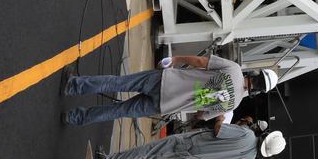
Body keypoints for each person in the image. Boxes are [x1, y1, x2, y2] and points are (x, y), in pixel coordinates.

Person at [62, 55, 278, 126]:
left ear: (256, 75)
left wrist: (175, 59)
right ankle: (74, 118)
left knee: (119, 83)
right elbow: (201, 114)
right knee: (119, 112)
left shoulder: (234, 69)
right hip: (165, 104)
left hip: (166, 80)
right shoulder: (233, 104)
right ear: (258, 91)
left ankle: (74, 85)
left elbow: (200, 61)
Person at [95, 122, 286, 159]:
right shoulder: (249, 158)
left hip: (189, 144)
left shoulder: (246, 134)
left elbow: (219, 129)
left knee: (148, 151)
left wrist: (220, 115)